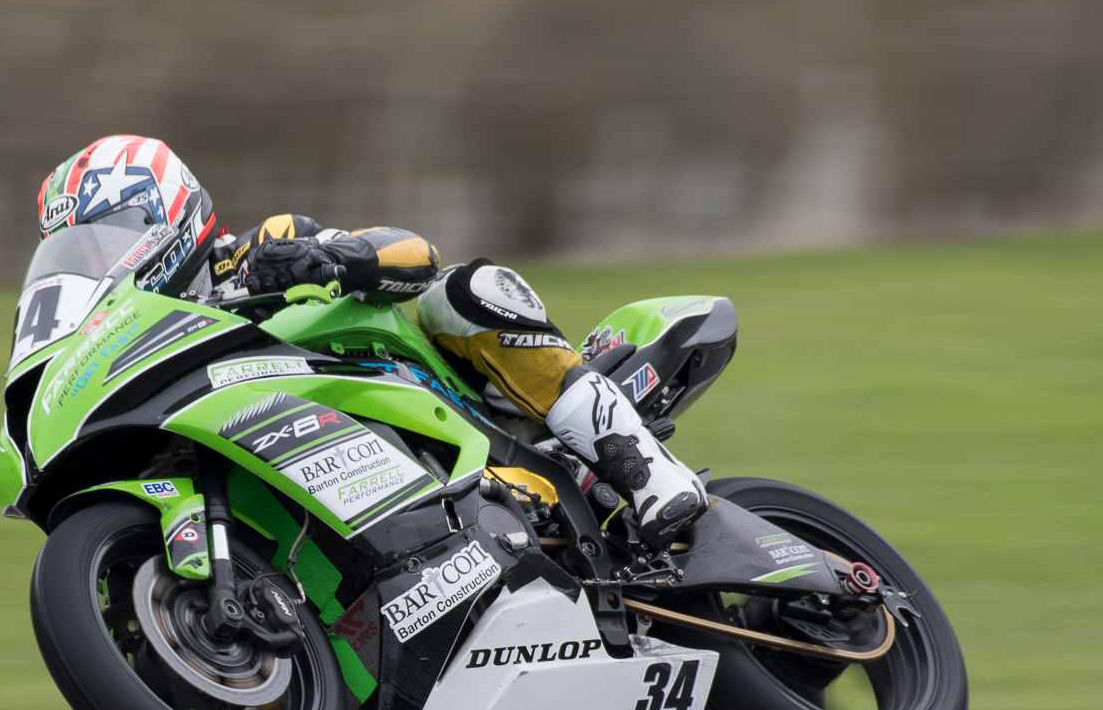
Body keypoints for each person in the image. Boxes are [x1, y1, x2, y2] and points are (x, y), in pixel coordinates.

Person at [35, 135, 707, 548]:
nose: (100, 258)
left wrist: (328, 257)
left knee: (464, 290)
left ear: (166, 211)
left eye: (110, 236)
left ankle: (643, 471)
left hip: (441, 403)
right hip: (305, 457)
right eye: (80, 251)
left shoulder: (254, 252)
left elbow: (411, 253)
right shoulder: (137, 341)